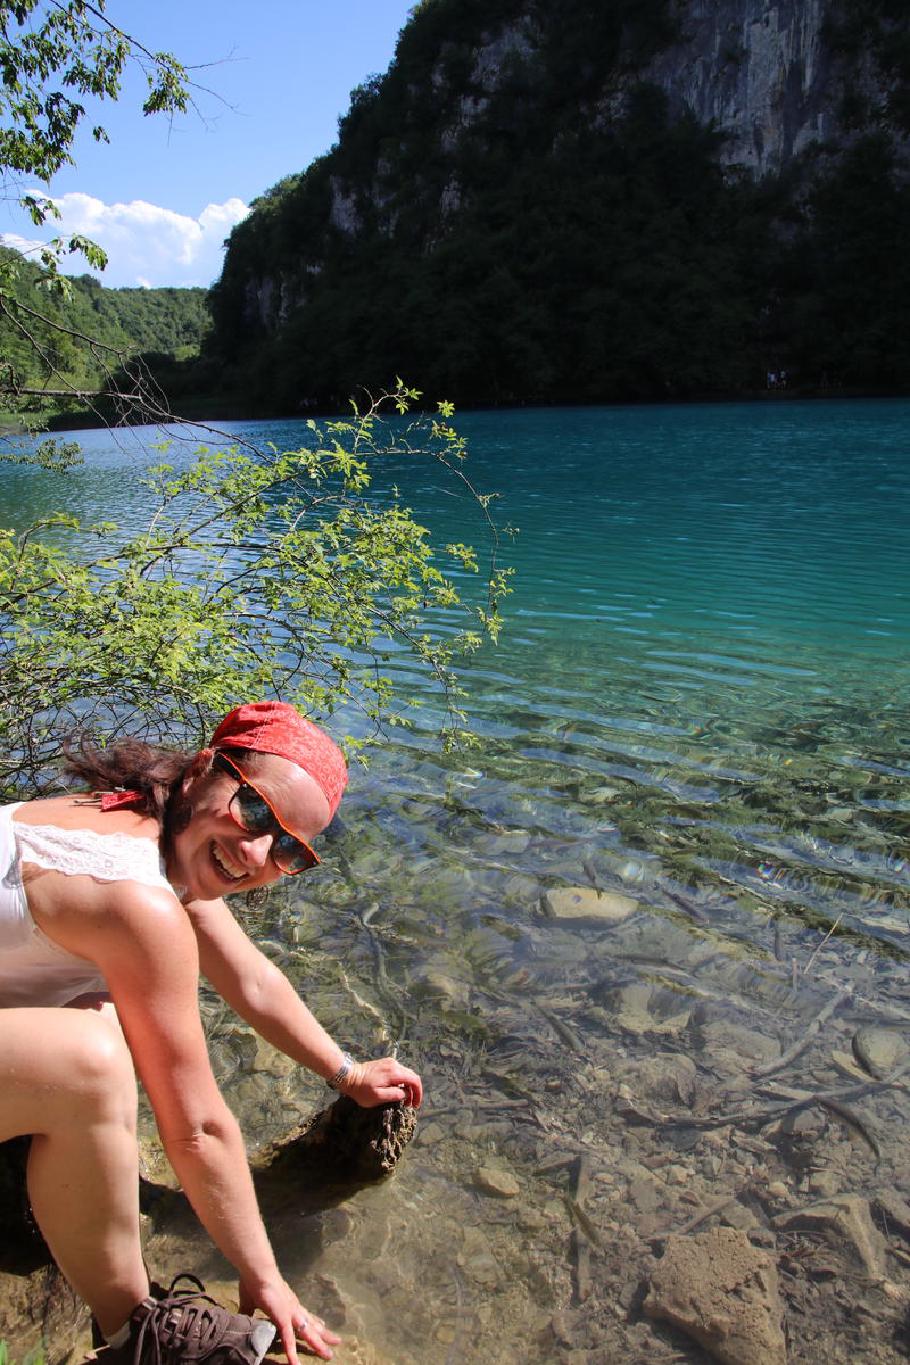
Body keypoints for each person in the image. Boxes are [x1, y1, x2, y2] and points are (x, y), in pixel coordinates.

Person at [0, 701, 423, 1364]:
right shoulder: (136, 899)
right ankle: (133, 1333)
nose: (255, 851)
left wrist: (348, 1073)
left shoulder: (139, 818)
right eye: (254, 809)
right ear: (205, 767)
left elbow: (251, 979)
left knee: (100, 1017)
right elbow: (196, 1127)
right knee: (92, 1057)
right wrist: (265, 1274)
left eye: (288, 848)